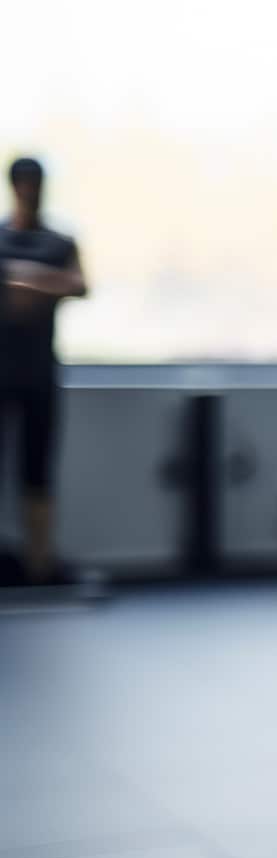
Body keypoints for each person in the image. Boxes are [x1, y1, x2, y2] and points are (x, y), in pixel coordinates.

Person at [1, 156, 87, 585]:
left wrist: (19, 279)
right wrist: (42, 283)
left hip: (39, 374)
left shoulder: (59, 241)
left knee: (37, 468)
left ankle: (39, 563)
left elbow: (79, 285)